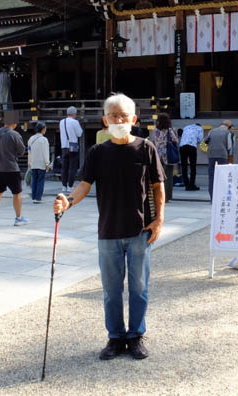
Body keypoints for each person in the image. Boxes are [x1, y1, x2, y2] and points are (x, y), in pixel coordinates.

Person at [53, 93, 165, 360]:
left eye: (123, 115)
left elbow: (158, 186)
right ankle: (115, 337)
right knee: (111, 290)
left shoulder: (146, 148)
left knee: (139, 288)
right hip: (108, 231)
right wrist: (68, 202)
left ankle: (136, 336)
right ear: (105, 120)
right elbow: (83, 186)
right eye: (113, 115)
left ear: (133, 119)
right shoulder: (97, 153)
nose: (118, 119)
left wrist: (159, 219)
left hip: (140, 231)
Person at [0, 116, 28, 227]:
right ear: (14, 123)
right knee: (17, 193)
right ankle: (18, 218)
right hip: (11, 168)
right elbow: (21, 151)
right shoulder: (14, 134)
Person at [148, 113, 178, 204]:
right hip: (168, 156)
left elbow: (153, 141)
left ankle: (160, 196)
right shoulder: (169, 130)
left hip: (157, 155)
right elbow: (175, 140)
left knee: (159, 177)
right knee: (168, 176)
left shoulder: (155, 130)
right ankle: (168, 197)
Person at [205, 120, 234, 200]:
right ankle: (221, 197)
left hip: (211, 155)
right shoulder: (227, 133)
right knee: (222, 176)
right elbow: (229, 147)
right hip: (222, 156)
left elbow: (206, 141)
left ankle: (212, 197)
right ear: (229, 127)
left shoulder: (211, 131)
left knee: (212, 177)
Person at [59, 106, 83, 193]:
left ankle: (64, 186)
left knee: (64, 167)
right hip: (73, 145)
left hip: (64, 146)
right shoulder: (75, 122)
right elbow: (79, 133)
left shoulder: (62, 122)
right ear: (73, 113)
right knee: (72, 166)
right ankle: (70, 186)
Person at [27, 122, 52, 204]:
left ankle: (33, 197)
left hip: (33, 162)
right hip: (41, 163)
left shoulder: (31, 139)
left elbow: (29, 152)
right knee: (40, 180)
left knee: (34, 180)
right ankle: (38, 198)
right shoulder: (44, 140)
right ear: (42, 129)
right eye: (45, 128)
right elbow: (45, 153)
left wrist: (29, 161)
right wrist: (47, 163)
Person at [179, 122, 203, 190]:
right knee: (193, 166)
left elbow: (182, 135)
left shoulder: (186, 127)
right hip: (192, 147)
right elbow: (200, 139)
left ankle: (187, 185)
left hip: (182, 146)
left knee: (184, 166)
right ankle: (192, 185)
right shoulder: (200, 128)